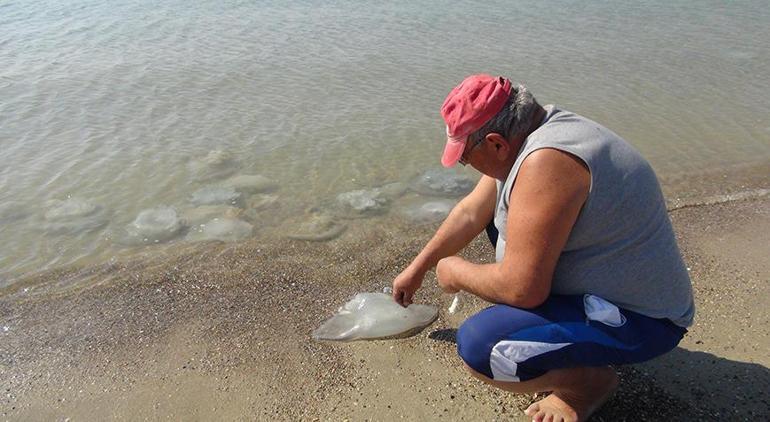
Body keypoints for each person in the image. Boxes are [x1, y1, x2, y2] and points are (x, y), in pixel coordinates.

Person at [391, 74, 694, 422]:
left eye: (465, 157)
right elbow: (471, 212)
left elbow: (523, 290)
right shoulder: (532, 132)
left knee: (484, 347)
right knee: (496, 215)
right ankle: (571, 344)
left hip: (645, 321)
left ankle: (587, 387)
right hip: (611, 286)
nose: (465, 164)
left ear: (495, 144)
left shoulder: (547, 164)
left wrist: (455, 271)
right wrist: (420, 267)